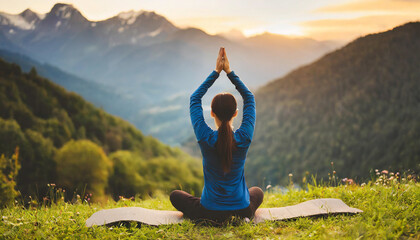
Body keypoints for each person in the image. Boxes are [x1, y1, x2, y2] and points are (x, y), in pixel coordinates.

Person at [170, 47, 263, 223]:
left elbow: (194, 99)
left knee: (176, 195)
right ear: (236, 113)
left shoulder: (205, 138)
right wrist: (229, 72)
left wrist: (216, 72)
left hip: (209, 211)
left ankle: (212, 216)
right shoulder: (244, 138)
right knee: (257, 191)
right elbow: (249, 98)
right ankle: (239, 217)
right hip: (242, 210)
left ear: (212, 113)